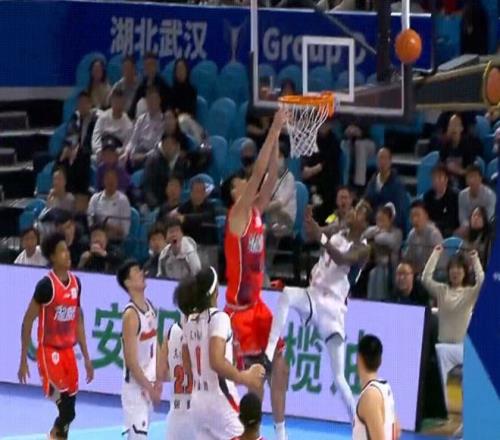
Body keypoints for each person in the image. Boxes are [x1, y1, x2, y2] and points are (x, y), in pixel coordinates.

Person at [265, 201, 371, 423]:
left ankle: (357, 422)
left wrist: (320, 237)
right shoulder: (338, 229)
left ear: (365, 223)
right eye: (355, 208)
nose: (353, 212)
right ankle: (269, 351)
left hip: (333, 309)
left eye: (359, 211)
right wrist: (309, 221)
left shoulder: (363, 248)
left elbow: (342, 258)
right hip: (314, 295)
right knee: (287, 295)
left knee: (339, 377)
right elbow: (313, 234)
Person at [224, 110, 289, 440]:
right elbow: (260, 171)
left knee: (279, 366)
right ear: (234, 193)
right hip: (238, 311)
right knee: (247, 378)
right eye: (240, 182)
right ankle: (242, 429)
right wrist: (274, 128)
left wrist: (276, 139)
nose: (245, 182)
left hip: (258, 306)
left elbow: (271, 174)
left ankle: (279, 431)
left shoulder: (256, 211)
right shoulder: (237, 215)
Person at [174, 267, 266, 439]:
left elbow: (187, 364)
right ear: (215, 292)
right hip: (220, 399)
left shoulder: (188, 320)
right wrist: (244, 377)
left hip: (197, 401)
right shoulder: (219, 318)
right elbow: (216, 361)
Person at [18, 232, 94, 439]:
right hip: (49, 352)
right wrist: (23, 359)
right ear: (52, 256)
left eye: (67, 249)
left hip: (68, 352)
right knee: (67, 411)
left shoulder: (76, 283)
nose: (67, 254)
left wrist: (87, 357)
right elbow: (27, 321)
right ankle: (53, 434)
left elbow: (78, 320)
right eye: (61, 251)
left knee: (69, 413)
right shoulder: (46, 286)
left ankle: (55, 435)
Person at [421, 245, 484, 422]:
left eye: (459, 269)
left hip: (463, 348)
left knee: (468, 386)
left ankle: (469, 419)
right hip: (443, 347)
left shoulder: (470, 293)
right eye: (452, 268)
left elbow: (482, 282)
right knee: (443, 387)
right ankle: (445, 417)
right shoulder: (442, 290)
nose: (455, 272)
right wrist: (436, 253)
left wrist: (475, 259)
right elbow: (425, 278)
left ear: (465, 272)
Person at [117, 260, 162, 439]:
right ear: (128, 283)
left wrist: (158, 380)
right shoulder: (131, 315)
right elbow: (131, 361)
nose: (142, 273)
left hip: (148, 382)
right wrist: (149, 388)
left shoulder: (149, 307)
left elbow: (156, 345)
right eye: (136, 271)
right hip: (135, 389)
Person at [353, 334, 400, 440]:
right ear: (380, 360)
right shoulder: (385, 387)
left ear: (359, 358)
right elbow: (396, 430)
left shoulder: (370, 396)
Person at [58, 91, 96, 211]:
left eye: (85, 103)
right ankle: (62, 192)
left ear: (90, 104)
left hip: (88, 153)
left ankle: (79, 194)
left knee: (81, 157)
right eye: (80, 103)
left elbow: (95, 141)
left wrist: (78, 149)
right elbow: (68, 138)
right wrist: (67, 148)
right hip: (74, 152)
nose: (82, 106)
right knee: (61, 157)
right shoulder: (74, 119)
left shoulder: (96, 120)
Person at [157, 318, 194, 440]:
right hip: (199, 420)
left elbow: (160, 373)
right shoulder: (206, 332)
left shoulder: (171, 332)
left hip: (176, 419)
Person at [264, 143, 297, 272]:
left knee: (274, 231)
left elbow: (281, 203)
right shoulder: (268, 176)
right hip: (271, 218)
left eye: (279, 156)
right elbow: (263, 197)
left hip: (286, 219)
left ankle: (267, 267)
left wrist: (262, 208)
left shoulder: (289, 178)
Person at [301, 122, 341, 223]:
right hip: (312, 185)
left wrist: (315, 169)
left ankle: (327, 225)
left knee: (329, 215)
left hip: (328, 185)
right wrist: (307, 170)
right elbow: (305, 162)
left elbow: (329, 163)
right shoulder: (311, 138)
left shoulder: (334, 141)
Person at [362, 203, 402, 301]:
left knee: (380, 273)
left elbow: (386, 240)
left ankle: (382, 301)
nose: (379, 224)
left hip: (391, 269)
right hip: (376, 266)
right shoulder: (375, 229)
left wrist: (376, 235)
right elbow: (363, 235)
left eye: (383, 220)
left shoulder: (397, 233)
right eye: (378, 220)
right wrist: (377, 232)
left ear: (390, 220)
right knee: (373, 273)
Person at [364, 147, 408, 230]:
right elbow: (366, 201)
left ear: (390, 161)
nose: (382, 162)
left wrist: (387, 224)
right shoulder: (373, 181)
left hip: (392, 227)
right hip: (374, 224)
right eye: (380, 158)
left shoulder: (398, 184)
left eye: (385, 158)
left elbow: (400, 212)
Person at [124, 87, 165, 171]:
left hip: (151, 154)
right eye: (149, 100)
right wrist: (128, 152)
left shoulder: (163, 121)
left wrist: (144, 156)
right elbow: (133, 140)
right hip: (137, 152)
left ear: (159, 100)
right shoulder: (141, 119)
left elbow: (158, 146)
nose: (152, 102)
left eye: (154, 99)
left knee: (153, 159)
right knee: (121, 159)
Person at [143, 134, 187, 210]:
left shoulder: (180, 161)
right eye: (169, 144)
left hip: (174, 204)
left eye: (175, 144)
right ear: (163, 144)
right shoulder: (153, 161)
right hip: (156, 204)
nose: (172, 147)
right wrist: (157, 208)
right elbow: (147, 188)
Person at [87, 167, 131, 242]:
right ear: (103, 181)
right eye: (108, 179)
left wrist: (108, 227)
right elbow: (90, 222)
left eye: (113, 179)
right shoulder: (95, 198)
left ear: (117, 181)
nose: (110, 182)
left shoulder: (123, 200)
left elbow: (125, 230)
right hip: (96, 236)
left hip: (115, 240)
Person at [438, 113, 481, 188]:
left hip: (464, 185)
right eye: (451, 125)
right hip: (447, 186)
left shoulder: (468, 146)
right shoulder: (445, 146)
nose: (453, 128)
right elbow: (440, 167)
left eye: (456, 125)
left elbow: (473, 172)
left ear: (461, 128)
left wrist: (459, 171)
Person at [403, 200, 443, 275]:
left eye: (417, 215)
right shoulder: (412, 234)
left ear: (426, 216)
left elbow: (437, 262)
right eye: (412, 216)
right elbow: (407, 258)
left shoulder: (434, 234)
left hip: (434, 273)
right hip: (417, 273)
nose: (414, 219)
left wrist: (419, 269)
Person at [91, 89, 133, 159]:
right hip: (102, 148)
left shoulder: (128, 124)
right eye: (115, 102)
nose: (117, 106)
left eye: (120, 103)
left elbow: (128, 143)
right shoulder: (103, 117)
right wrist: (98, 150)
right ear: (111, 102)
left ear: (124, 104)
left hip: (117, 151)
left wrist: (118, 152)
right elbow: (96, 136)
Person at [129, 52, 171, 118]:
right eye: (147, 65)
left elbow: (167, 107)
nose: (149, 68)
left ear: (156, 66)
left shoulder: (163, 85)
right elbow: (133, 106)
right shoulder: (142, 85)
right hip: (143, 119)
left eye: (151, 65)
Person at [423, 164, 459, 238]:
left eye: (439, 177)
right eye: (434, 178)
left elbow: (452, 220)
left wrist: (435, 225)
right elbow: (425, 215)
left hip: (447, 230)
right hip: (430, 228)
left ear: (446, 179)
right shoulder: (427, 196)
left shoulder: (454, 196)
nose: (436, 181)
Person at [221, 139, 258, 208]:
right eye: (245, 160)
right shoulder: (230, 181)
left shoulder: (263, 178)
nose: (248, 165)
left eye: (250, 160)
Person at [458, 164, 496, 229]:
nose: (472, 180)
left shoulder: (490, 195)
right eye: (470, 177)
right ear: (466, 180)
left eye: (475, 177)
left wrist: (477, 224)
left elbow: (489, 218)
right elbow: (462, 217)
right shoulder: (462, 195)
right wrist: (469, 227)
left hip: (486, 228)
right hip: (468, 228)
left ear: (480, 179)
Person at [341, 123, 376, 192]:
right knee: (344, 145)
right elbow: (341, 124)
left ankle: (359, 185)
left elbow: (369, 126)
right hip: (347, 139)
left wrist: (360, 132)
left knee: (359, 145)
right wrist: (346, 130)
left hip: (366, 141)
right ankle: (345, 183)